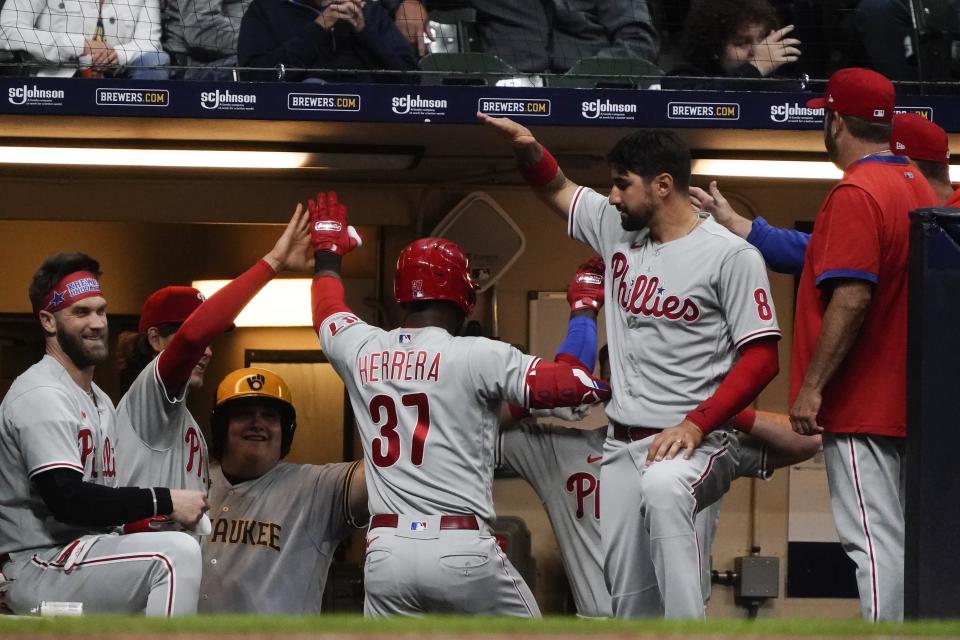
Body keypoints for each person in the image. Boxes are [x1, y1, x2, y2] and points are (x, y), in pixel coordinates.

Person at [481, 114, 782, 619]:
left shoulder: (730, 255)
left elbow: (762, 357)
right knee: (626, 596)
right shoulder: (618, 230)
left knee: (666, 490)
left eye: (623, 184)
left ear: (663, 185)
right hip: (622, 446)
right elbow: (557, 188)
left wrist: (697, 423)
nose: (613, 196)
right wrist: (528, 149)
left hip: (695, 440)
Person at [307, 191, 610, 616]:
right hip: (459, 546)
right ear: (465, 295)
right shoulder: (475, 354)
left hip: (386, 551)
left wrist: (327, 254)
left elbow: (326, 309)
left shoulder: (362, 348)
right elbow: (571, 383)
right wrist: (583, 309)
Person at [791, 67, 936, 622]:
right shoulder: (913, 183)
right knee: (898, 539)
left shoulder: (856, 190)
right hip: (906, 401)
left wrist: (811, 389)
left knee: (873, 544)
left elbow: (851, 297)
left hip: (861, 405)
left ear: (835, 122)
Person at [0, 253, 208, 616]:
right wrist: (164, 499)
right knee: (174, 556)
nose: (97, 323)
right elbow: (68, 499)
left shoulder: (100, 401)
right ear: (48, 321)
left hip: (81, 555)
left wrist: (152, 519)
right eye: (81, 312)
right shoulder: (41, 392)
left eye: (101, 310)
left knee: (174, 543)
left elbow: (101, 507)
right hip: (38, 564)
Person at [114, 205, 313, 500]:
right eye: (202, 335)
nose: (207, 351)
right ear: (155, 338)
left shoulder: (180, 417)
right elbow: (192, 339)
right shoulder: (148, 396)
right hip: (145, 543)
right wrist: (274, 262)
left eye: (213, 339)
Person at [692, 112, 955, 276]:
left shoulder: (942, 222)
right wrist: (735, 222)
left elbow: (848, 292)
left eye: (886, 156)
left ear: (908, 164)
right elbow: (821, 252)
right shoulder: (914, 213)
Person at [198, 367, 368, 614]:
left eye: (270, 416)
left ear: (286, 430)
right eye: (244, 414)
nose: (257, 424)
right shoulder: (191, 480)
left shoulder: (315, 487)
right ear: (222, 426)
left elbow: (388, 470)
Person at [416, 0, 658, 74]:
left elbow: (637, 40)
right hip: (509, 100)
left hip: (592, 98)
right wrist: (405, 2)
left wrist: (586, 75)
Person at [237, 0, 419, 82]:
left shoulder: (370, 11)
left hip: (369, 111)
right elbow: (254, 76)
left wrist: (364, 31)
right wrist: (318, 27)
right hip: (297, 109)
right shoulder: (265, 9)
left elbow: (409, 79)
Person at [0, 0, 169, 78]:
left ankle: (139, 135)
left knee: (156, 60)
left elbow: (150, 43)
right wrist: (80, 46)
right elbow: (6, 30)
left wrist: (116, 55)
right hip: (56, 77)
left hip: (117, 79)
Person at [666, 0, 801, 88]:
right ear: (714, 49)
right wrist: (755, 68)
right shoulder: (683, 78)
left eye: (762, 39)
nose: (758, 50)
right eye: (742, 43)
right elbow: (700, 101)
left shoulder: (782, 86)